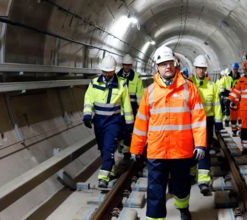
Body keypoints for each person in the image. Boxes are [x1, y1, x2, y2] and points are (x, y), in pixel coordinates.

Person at [130, 46, 207, 220]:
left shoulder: (189, 89)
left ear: (175, 64)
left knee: (181, 184)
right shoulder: (149, 92)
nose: (167, 67)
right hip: (157, 150)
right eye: (163, 64)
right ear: (157, 67)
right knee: (155, 188)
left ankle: (183, 207)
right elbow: (141, 122)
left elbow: (199, 119)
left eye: (169, 63)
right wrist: (136, 147)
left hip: (181, 150)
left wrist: (201, 143)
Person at [83, 55, 133, 188]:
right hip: (98, 121)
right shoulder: (94, 83)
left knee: (108, 147)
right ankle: (109, 168)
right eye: (105, 72)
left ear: (114, 70)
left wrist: (129, 123)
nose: (107, 74)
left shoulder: (121, 84)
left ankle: (103, 177)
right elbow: (88, 100)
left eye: (109, 72)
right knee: (102, 148)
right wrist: (87, 115)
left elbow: (127, 105)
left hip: (114, 121)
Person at [191, 54, 223, 196]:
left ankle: (203, 181)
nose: (201, 71)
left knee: (204, 149)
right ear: (195, 68)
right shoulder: (189, 85)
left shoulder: (212, 86)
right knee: (191, 149)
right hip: (191, 122)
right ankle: (192, 173)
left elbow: (217, 105)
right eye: (199, 68)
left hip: (207, 121)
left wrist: (218, 122)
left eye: (203, 69)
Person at [116, 54, 144, 163]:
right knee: (120, 130)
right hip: (120, 109)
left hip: (132, 108)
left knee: (129, 130)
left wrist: (140, 110)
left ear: (131, 65)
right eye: (125, 65)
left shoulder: (136, 77)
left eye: (129, 65)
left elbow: (140, 94)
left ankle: (126, 151)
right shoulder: (117, 77)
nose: (127, 67)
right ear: (123, 65)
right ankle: (123, 147)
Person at [229, 63, 241, 136]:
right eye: (234, 69)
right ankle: (234, 131)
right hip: (231, 99)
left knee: (240, 117)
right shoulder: (228, 77)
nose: (235, 70)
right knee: (233, 117)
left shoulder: (240, 78)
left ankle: (240, 130)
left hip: (239, 100)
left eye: (236, 69)